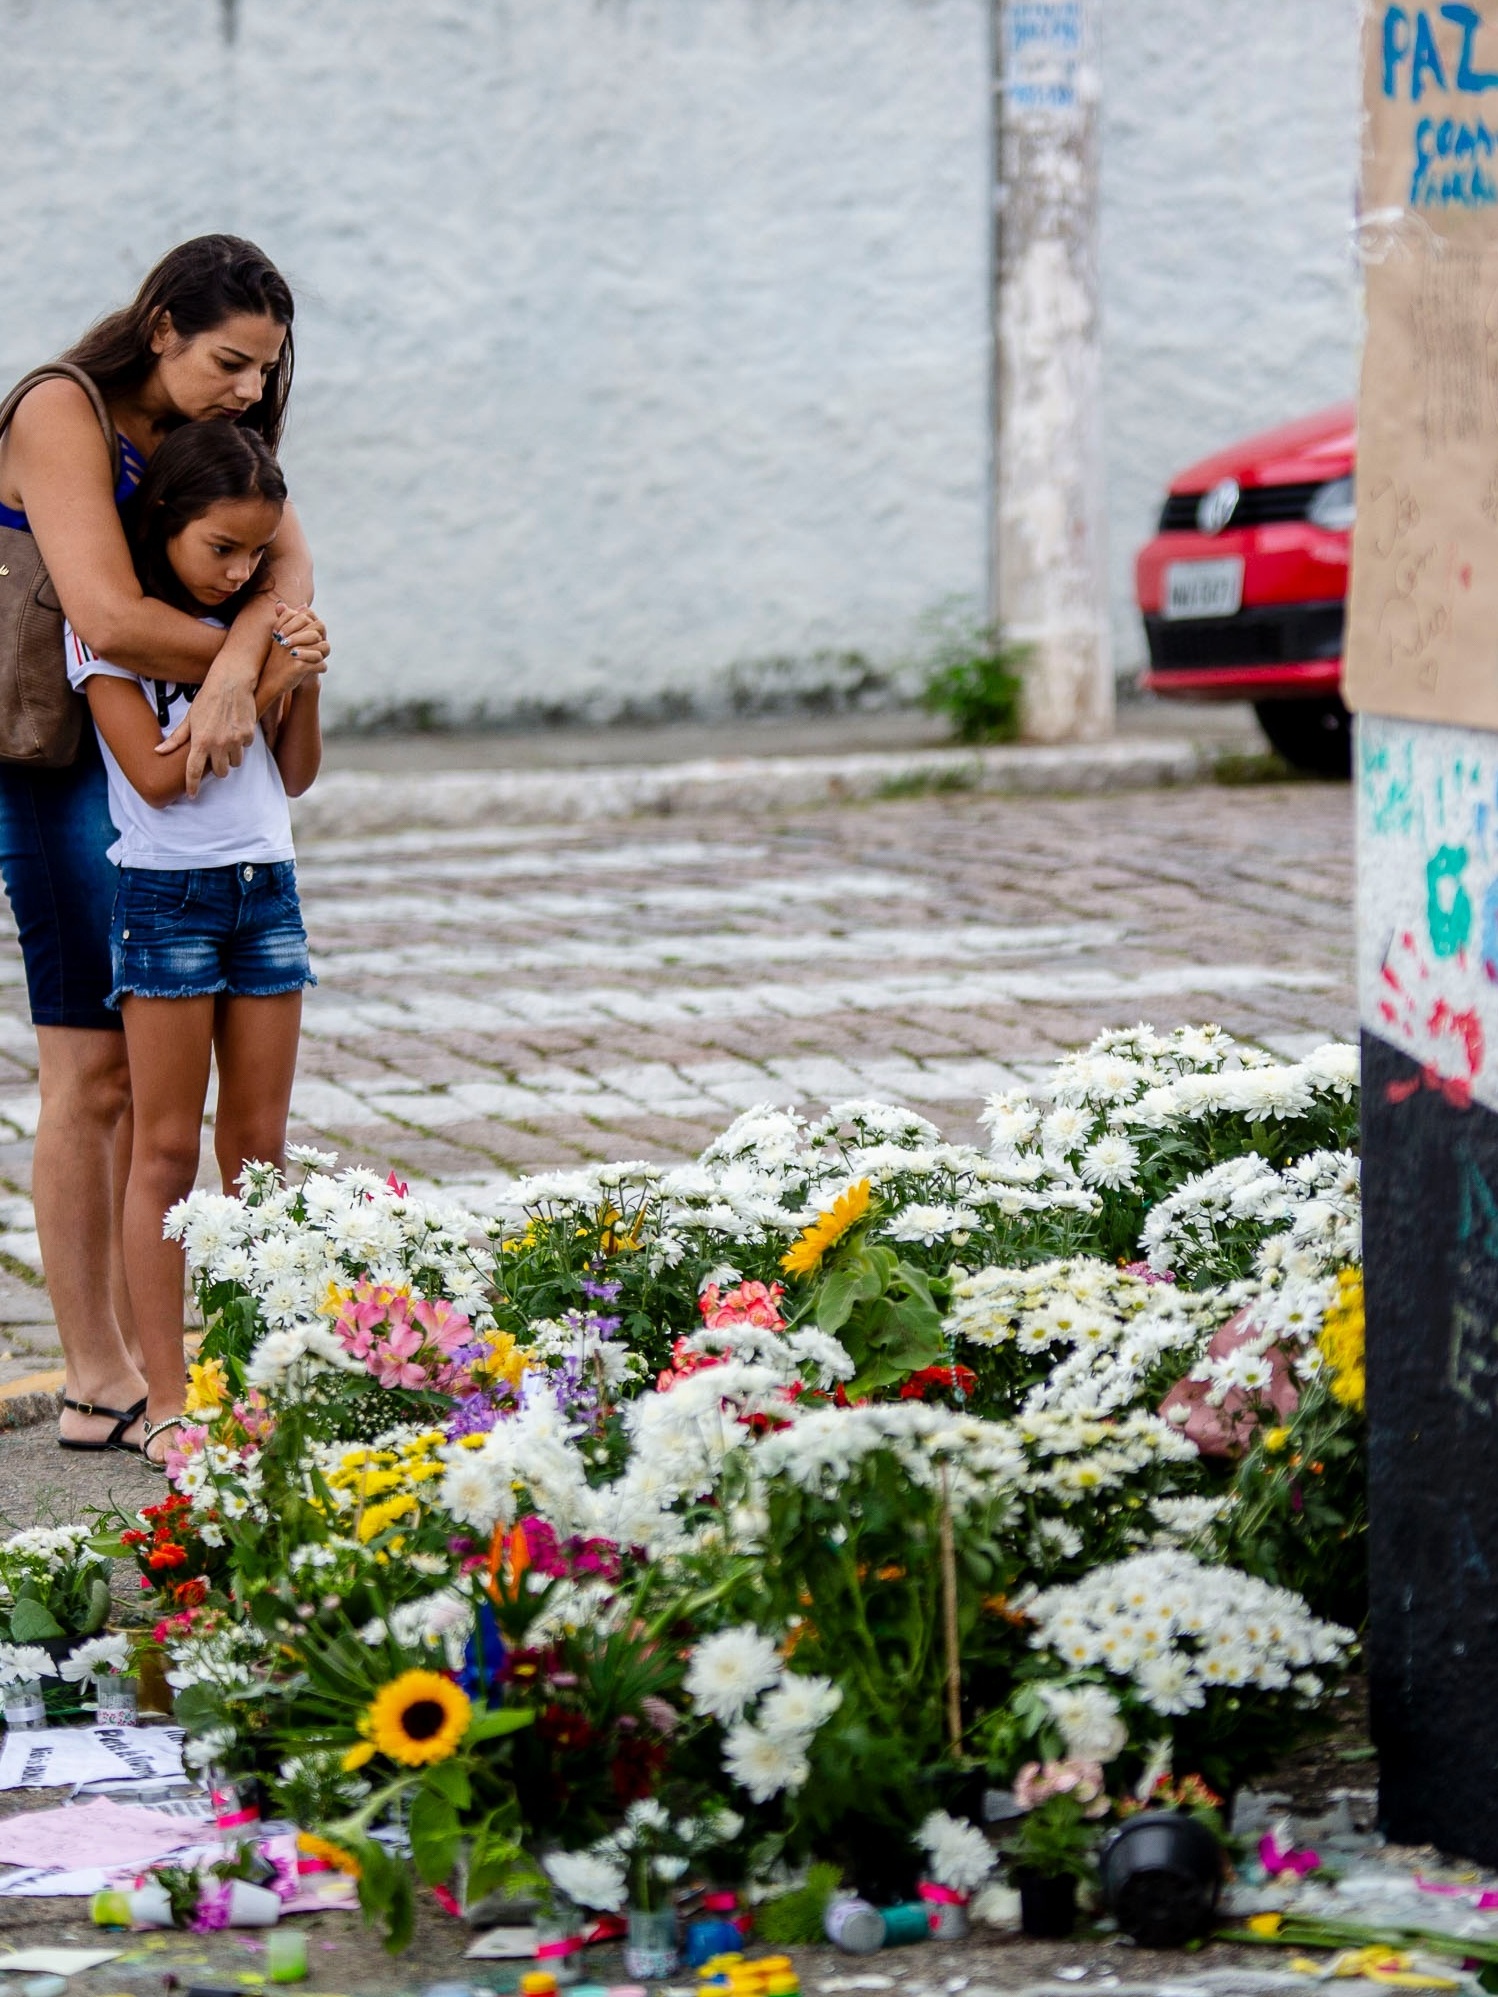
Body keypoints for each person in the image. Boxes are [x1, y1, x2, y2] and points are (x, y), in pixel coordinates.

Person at [0, 236, 328, 1456]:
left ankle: (180, 1364)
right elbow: (109, 615)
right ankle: (99, 1372)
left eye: (266, 369)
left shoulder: (225, 458)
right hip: (57, 751)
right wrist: (259, 657)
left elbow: (289, 592)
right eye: (229, 361)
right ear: (160, 330)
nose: (250, 388)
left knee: (167, 1092)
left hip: (190, 750)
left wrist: (251, 658)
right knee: (93, 1073)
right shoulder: (59, 409)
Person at [65, 420, 322, 1466]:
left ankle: (256, 1373)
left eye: (258, 554)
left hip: (269, 888)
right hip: (165, 897)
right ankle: (169, 1397)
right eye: (222, 548)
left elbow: (293, 770)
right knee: (166, 1150)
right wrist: (248, 671)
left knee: (257, 1148)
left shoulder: (258, 626)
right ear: (165, 524)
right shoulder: (111, 637)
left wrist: (292, 673)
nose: (244, 571)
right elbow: (165, 776)